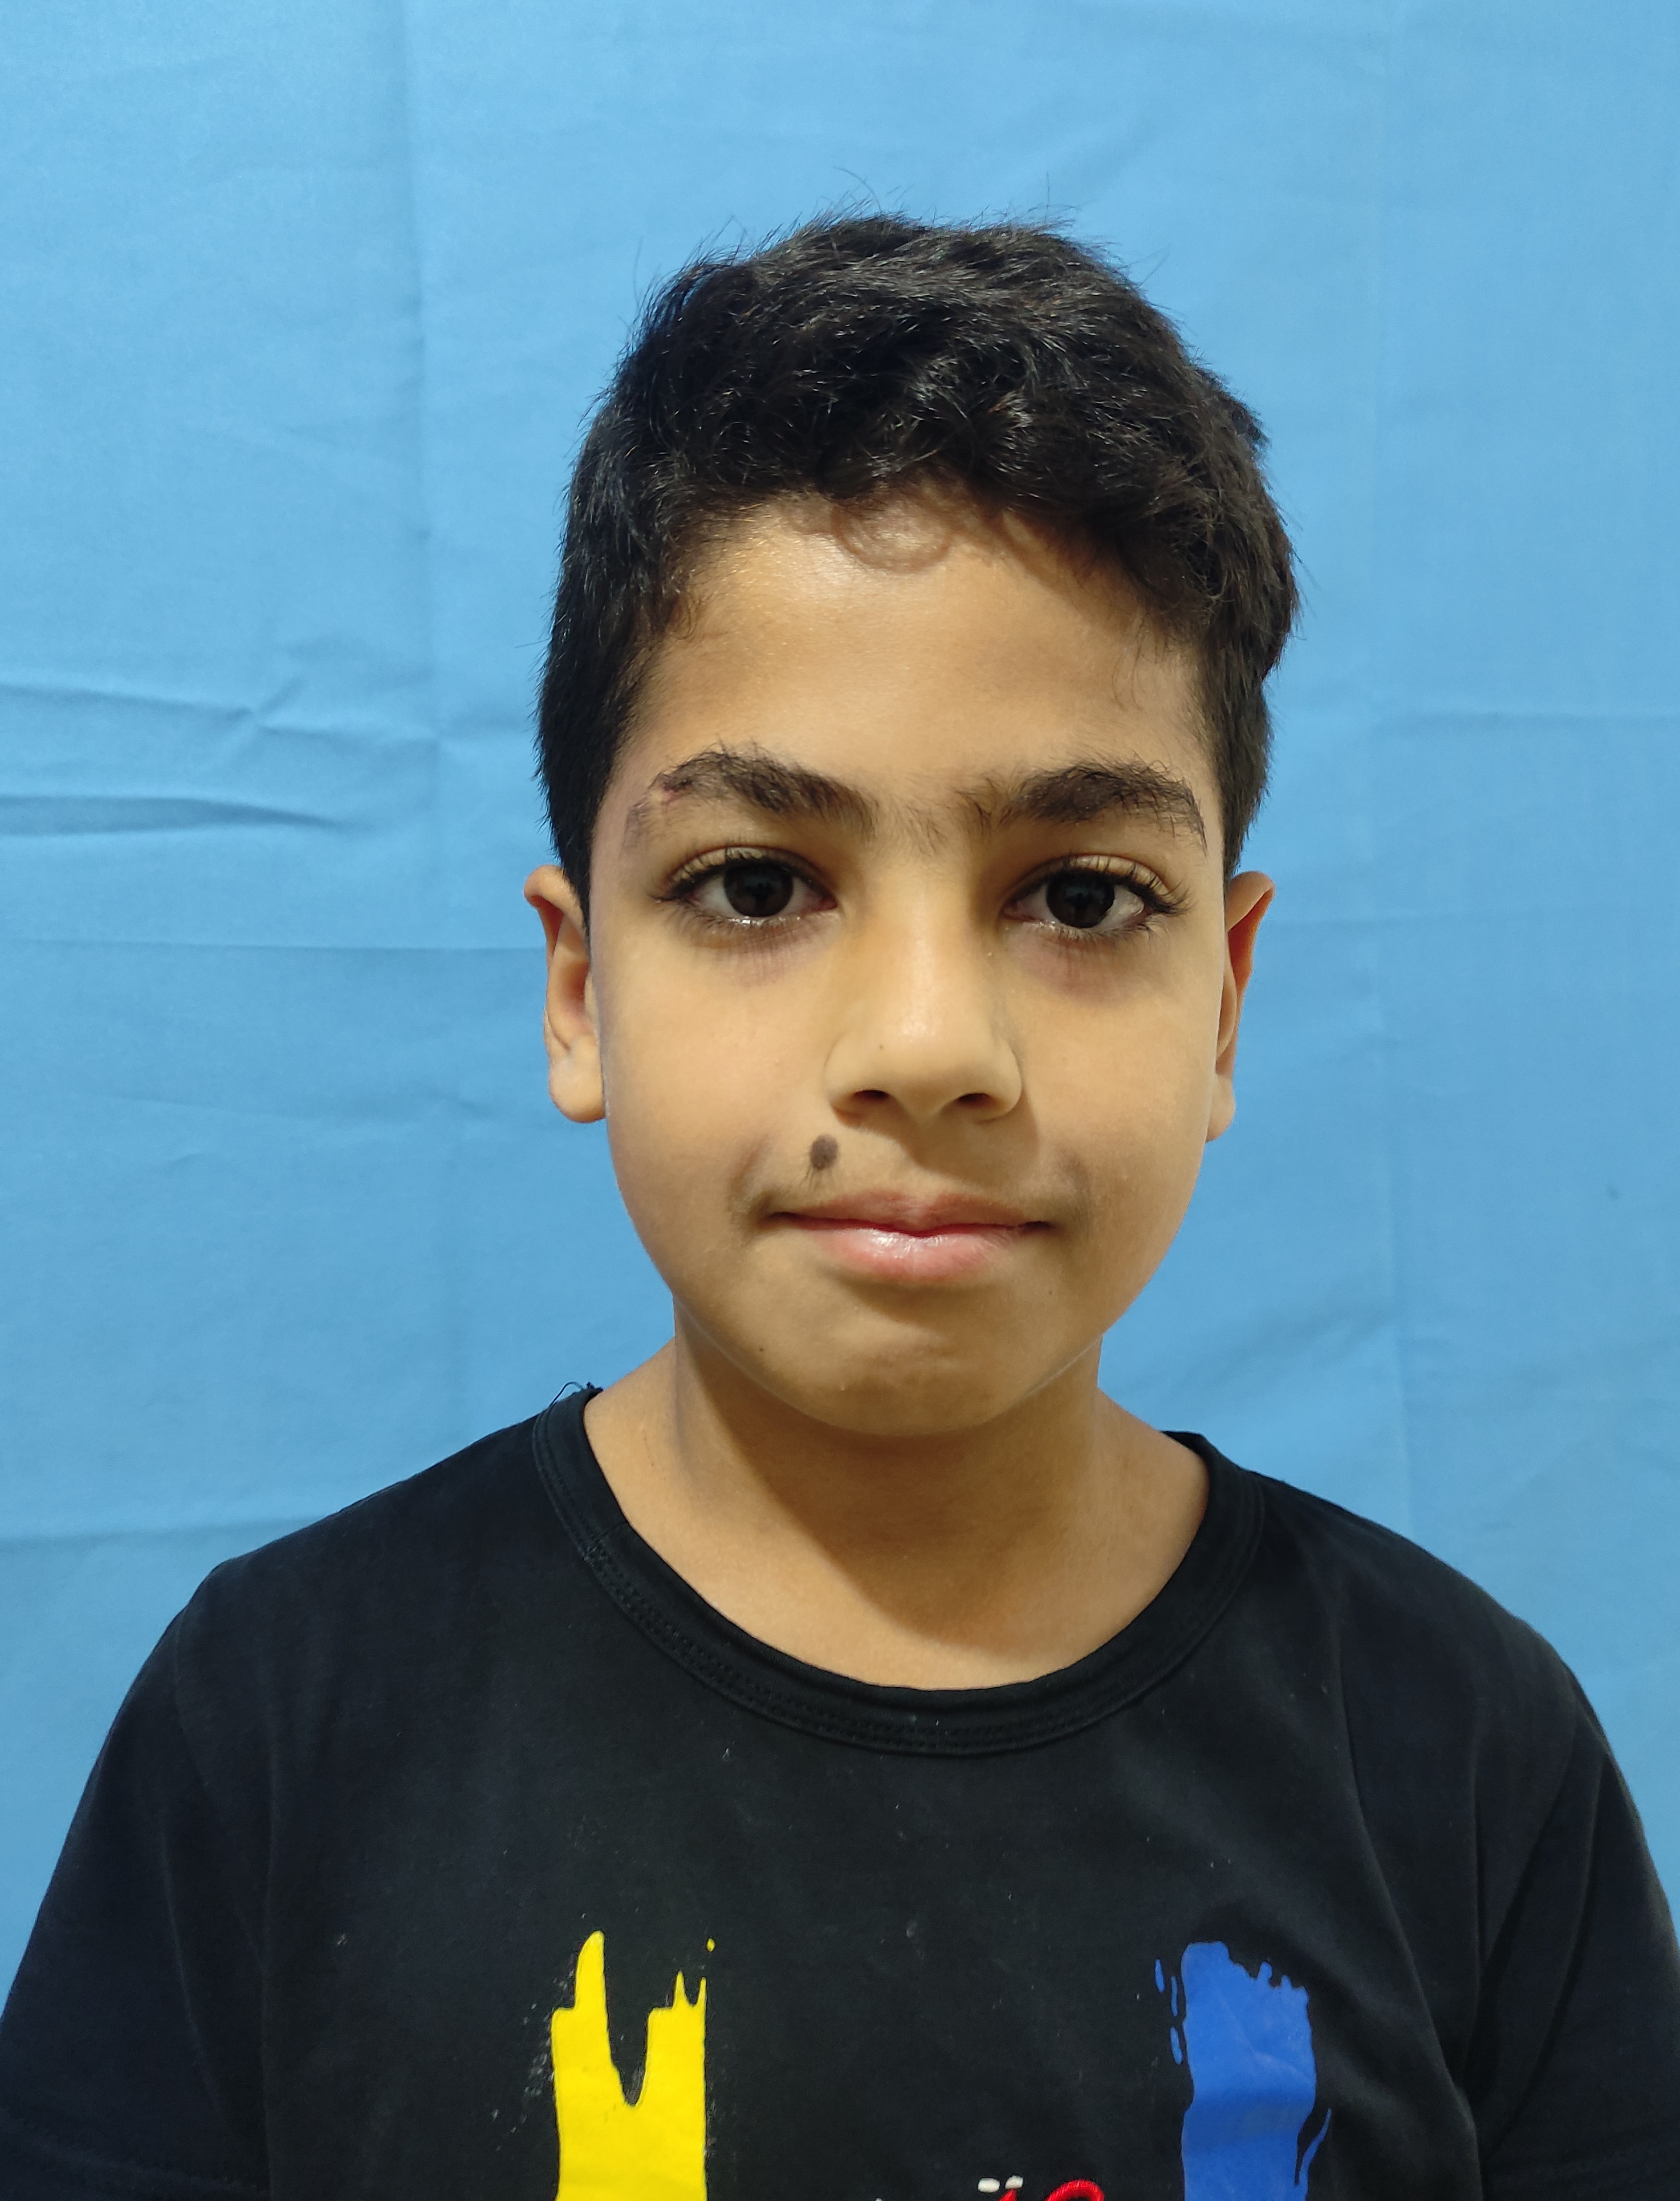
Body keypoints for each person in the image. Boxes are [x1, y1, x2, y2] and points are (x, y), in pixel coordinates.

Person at [1, 214, 1675, 2201]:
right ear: (578, 989)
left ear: (1223, 1003)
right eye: (755, 883)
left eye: (1080, 896)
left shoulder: (1457, 1748)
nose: (924, 1045)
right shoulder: (286, 1723)